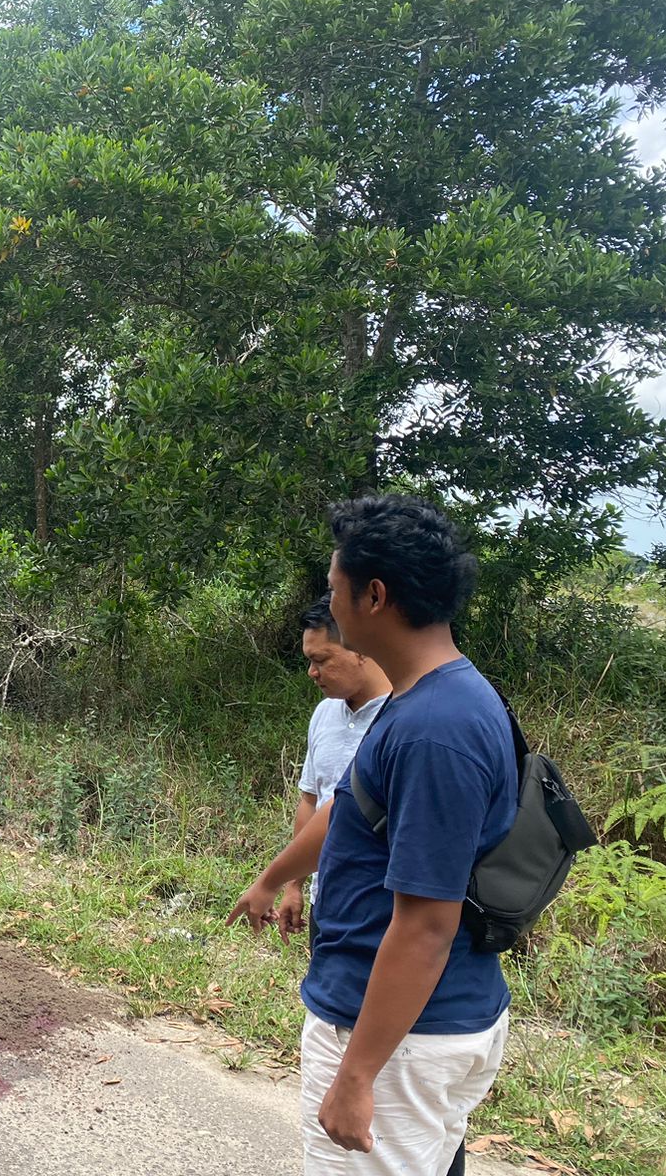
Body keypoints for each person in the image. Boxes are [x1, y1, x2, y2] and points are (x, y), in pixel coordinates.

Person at [227, 495, 515, 1176]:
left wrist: (357, 1076)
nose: (330, 600)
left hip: (397, 1038)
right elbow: (348, 809)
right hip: (403, 1027)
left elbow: (426, 926)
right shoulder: (424, 701)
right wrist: (273, 877)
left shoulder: (435, 729)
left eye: (334, 588)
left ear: (374, 595)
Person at [278, 595, 392, 945]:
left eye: (321, 660)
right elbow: (310, 801)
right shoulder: (324, 714)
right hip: (327, 901)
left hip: (385, 909)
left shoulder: (405, 718)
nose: (312, 673)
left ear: (360, 648)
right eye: (309, 661)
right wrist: (293, 885)